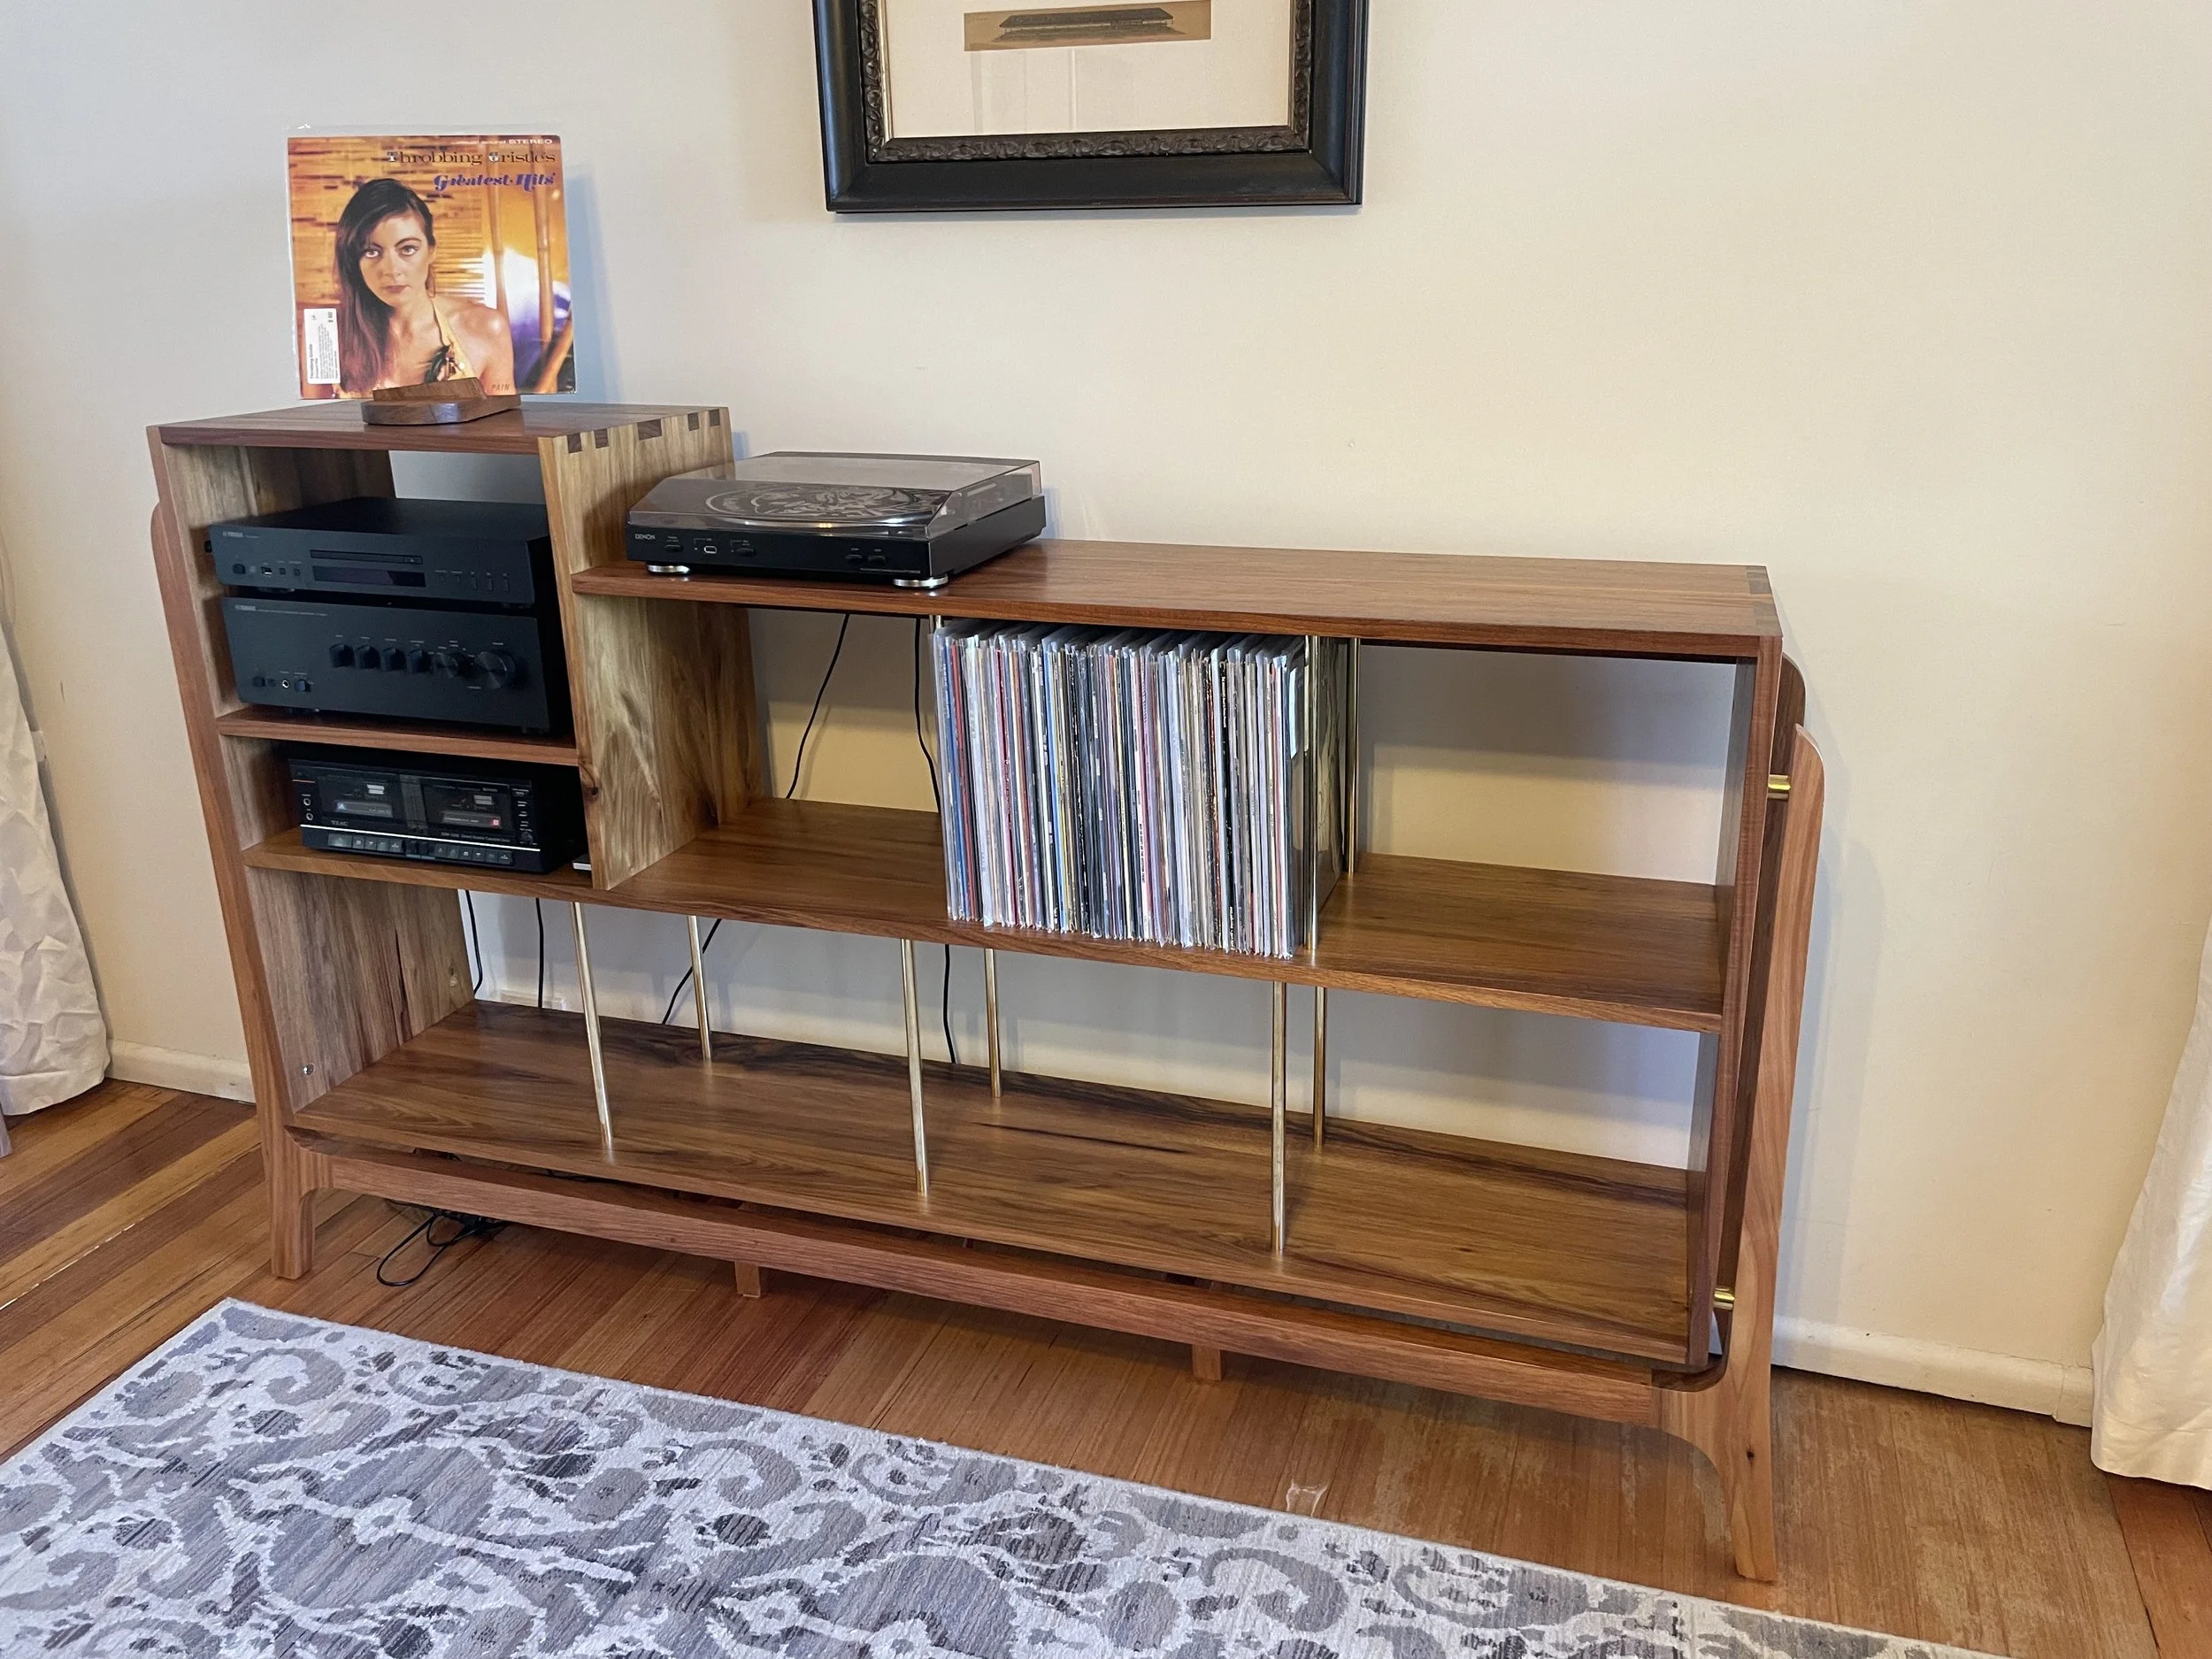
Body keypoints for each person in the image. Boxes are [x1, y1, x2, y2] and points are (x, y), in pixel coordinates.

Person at [333, 178, 515, 396]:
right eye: (371, 252)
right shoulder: (329, 334)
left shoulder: (484, 327)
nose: (392, 269)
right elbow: (313, 420)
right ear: (354, 260)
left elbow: (504, 424)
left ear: (431, 251)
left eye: (407, 249)